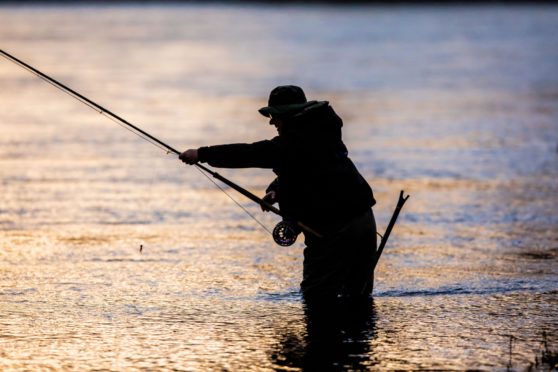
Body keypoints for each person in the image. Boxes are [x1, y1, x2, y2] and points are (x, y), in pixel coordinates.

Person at [180, 85, 377, 299]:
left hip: (333, 229)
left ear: (288, 115)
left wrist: (201, 153)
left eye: (274, 115)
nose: (271, 121)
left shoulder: (293, 142)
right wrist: (276, 191)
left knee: (317, 298)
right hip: (364, 221)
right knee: (357, 297)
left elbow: (251, 153)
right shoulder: (323, 132)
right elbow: (307, 172)